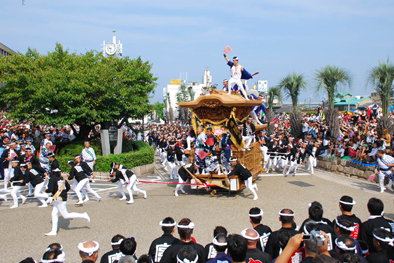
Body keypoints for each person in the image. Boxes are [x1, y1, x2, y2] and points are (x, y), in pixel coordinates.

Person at [44, 171, 90, 236]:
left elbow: (50, 189)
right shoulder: (62, 179)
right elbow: (68, 187)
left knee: (65, 215)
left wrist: (46, 187)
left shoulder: (52, 179)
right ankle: (54, 231)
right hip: (62, 198)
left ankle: (83, 215)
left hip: (59, 199)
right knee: (54, 213)